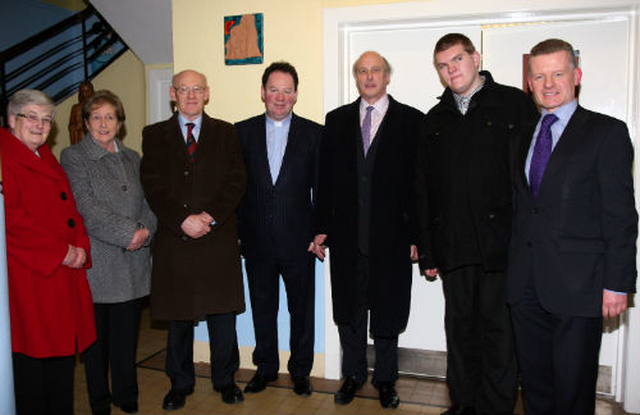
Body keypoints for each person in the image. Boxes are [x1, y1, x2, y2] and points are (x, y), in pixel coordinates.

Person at [508, 38, 637, 415]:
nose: (549, 84)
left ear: (576, 76)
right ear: (528, 82)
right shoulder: (520, 136)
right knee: (534, 385)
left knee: (573, 390)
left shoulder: (606, 133)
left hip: (581, 287)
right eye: (539, 76)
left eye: (558, 74)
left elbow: (621, 216)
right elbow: (523, 209)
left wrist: (618, 282)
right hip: (525, 286)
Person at [415, 33, 536, 415]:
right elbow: (423, 191)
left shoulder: (514, 105)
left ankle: (497, 408)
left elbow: (532, 178)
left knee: (499, 336)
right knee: (461, 333)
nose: (451, 69)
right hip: (454, 250)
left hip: (502, 247)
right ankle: (463, 404)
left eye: (457, 60)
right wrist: (428, 251)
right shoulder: (434, 119)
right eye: (442, 65)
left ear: (476, 57)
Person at [311, 51, 422, 409]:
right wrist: (320, 227)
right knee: (350, 312)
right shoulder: (337, 120)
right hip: (346, 238)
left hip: (392, 239)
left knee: (387, 313)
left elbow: (421, 185)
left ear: (387, 77)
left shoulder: (411, 121)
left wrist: (419, 236)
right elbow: (323, 180)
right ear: (356, 77)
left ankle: (386, 379)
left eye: (376, 71)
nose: (369, 76)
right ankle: (353, 375)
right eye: (362, 71)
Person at [140, 69, 247, 410]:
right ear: (172, 94)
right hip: (176, 239)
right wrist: (181, 220)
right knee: (179, 318)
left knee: (222, 316)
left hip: (218, 238)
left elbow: (237, 180)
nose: (190, 95)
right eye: (183, 89)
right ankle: (179, 383)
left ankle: (225, 380)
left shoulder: (226, 132)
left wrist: (209, 217)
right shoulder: (154, 135)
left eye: (196, 89)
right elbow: (152, 185)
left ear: (207, 93)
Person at [60, 90, 157, 415]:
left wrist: (145, 230)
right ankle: (99, 400)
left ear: (120, 122)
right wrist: (128, 233)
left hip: (134, 261)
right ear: (86, 122)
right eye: (97, 117)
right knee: (96, 343)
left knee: (126, 338)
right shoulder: (73, 157)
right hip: (98, 264)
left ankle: (126, 394)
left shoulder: (133, 157)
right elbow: (85, 207)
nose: (104, 123)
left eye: (110, 117)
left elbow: (149, 202)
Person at [0, 89, 96, 414]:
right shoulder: (5, 157)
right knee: (32, 364)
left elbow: (69, 208)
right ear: (12, 119)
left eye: (47, 119)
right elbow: (11, 219)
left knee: (60, 362)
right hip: (31, 278)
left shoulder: (44, 155)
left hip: (61, 277)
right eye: (32, 117)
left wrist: (82, 245)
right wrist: (62, 252)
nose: (41, 126)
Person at [236, 61, 321, 396]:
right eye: (274, 89)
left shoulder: (315, 134)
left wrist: (319, 232)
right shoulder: (240, 133)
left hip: (300, 242)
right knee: (262, 307)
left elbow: (322, 189)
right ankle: (266, 367)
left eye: (287, 90)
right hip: (256, 241)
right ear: (262, 92)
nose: (280, 97)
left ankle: (301, 370)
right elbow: (235, 187)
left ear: (296, 95)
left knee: (301, 310)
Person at [68, 81, 95, 145]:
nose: (86, 94)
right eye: (84, 91)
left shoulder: (96, 108)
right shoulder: (76, 108)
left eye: (88, 91)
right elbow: (71, 126)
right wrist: (77, 127)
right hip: (80, 137)